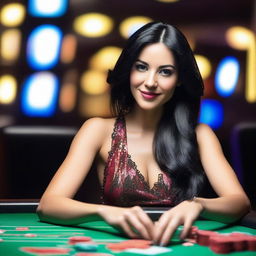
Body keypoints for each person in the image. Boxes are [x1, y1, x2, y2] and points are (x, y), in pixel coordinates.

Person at [37, 21, 250, 246]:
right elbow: (49, 205)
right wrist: (105, 212)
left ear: (179, 80)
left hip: (178, 247)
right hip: (119, 247)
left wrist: (198, 205)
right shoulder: (97, 130)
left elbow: (239, 202)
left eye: (165, 72)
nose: (150, 82)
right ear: (128, 69)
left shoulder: (200, 135)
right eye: (141, 67)